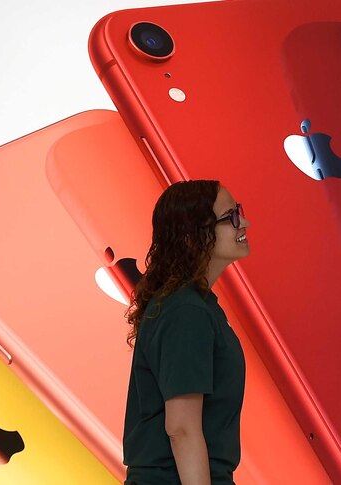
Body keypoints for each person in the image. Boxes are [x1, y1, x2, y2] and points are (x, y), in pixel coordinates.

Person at [123, 180, 250, 485]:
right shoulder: (187, 312)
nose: (243, 222)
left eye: (239, 212)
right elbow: (181, 428)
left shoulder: (196, 306)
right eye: (230, 217)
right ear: (195, 237)